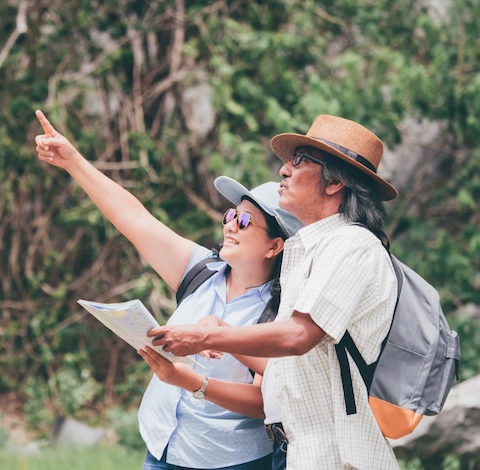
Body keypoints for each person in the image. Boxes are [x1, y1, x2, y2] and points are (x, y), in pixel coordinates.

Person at [33, 109, 302, 470]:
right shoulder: (201, 270)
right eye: (229, 215)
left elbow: (264, 402)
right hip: (161, 448)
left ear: (275, 246)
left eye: (244, 221)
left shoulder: (281, 312)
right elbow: (134, 218)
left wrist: (194, 383)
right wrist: (74, 162)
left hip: (227, 461)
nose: (230, 226)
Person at [149, 114, 401, 469]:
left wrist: (208, 337)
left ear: (335, 184)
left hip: (338, 456)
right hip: (299, 451)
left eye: (300, 162)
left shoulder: (354, 246)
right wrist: (221, 333)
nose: (283, 170)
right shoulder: (311, 249)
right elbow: (291, 366)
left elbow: (298, 336)